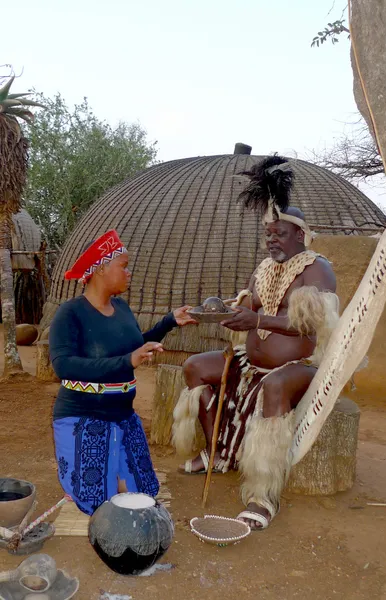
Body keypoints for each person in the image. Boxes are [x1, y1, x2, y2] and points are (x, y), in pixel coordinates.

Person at [172, 156, 340, 530]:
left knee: (274, 388)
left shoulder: (317, 268)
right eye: (268, 234)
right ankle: (219, 452)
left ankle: (264, 493)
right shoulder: (264, 269)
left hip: (296, 366)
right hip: (251, 361)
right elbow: (248, 306)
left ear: (300, 235)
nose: (272, 240)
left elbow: (308, 325)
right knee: (195, 367)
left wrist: (258, 320)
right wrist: (225, 312)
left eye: (279, 233)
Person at [49, 229, 196, 515]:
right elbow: (64, 366)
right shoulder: (70, 314)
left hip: (123, 417)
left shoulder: (121, 307)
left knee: (142, 493)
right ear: (102, 269)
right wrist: (127, 361)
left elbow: (131, 345)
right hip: (84, 417)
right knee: (100, 503)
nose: (129, 273)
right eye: (124, 266)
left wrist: (168, 322)